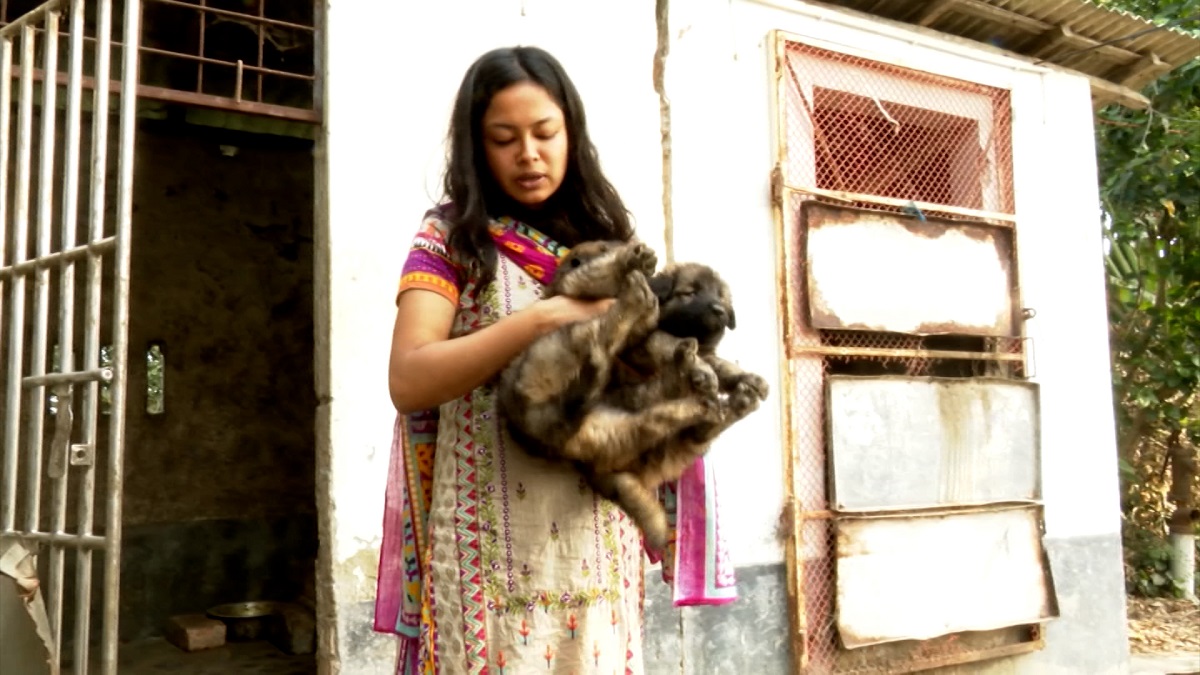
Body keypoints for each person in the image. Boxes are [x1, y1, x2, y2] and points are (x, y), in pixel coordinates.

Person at [378, 45, 651, 675]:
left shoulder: (609, 242)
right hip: (489, 555)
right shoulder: (451, 240)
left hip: (598, 542)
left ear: (571, 134)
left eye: (545, 133)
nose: (528, 154)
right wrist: (544, 317)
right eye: (504, 138)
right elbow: (409, 378)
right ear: (478, 148)